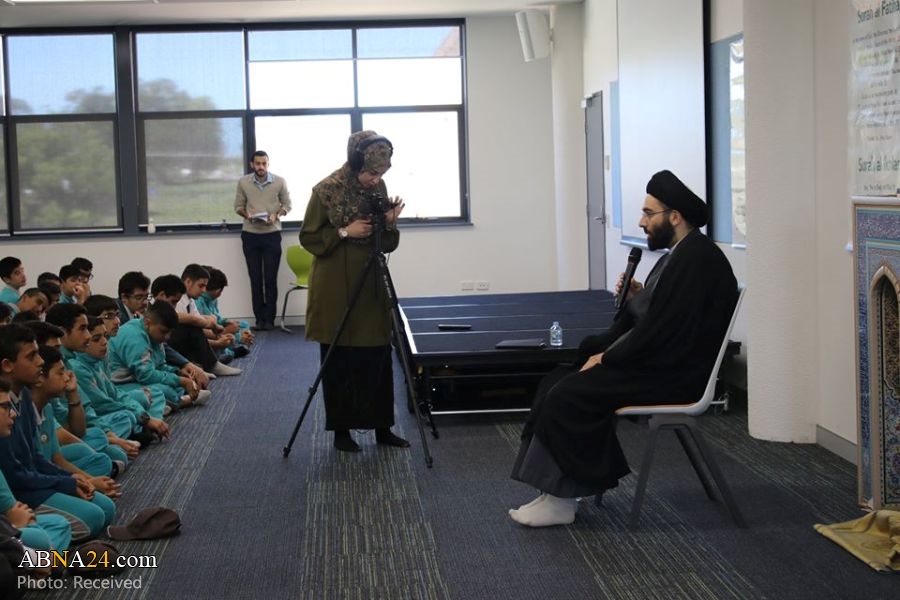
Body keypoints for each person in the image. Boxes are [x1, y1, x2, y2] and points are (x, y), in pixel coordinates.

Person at [508, 170, 739, 527]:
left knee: (569, 394)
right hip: (660, 365)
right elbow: (663, 316)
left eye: (648, 213)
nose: (641, 222)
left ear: (674, 217)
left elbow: (665, 331)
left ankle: (561, 500)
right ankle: (554, 490)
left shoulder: (698, 260)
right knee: (556, 382)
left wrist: (607, 357)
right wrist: (637, 298)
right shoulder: (682, 254)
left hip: (675, 376)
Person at [299, 130, 408, 453]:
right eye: (371, 173)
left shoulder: (378, 188)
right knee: (339, 360)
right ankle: (341, 432)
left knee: (378, 357)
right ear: (357, 163)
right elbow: (308, 237)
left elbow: (386, 243)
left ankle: (382, 427)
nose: (376, 180)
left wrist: (389, 222)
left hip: (370, 282)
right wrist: (345, 231)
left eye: (381, 174)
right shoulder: (326, 190)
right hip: (336, 285)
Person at [234, 150, 292, 331]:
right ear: (252, 164)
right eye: (258, 163)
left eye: (264, 163)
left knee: (270, 279)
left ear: (268, 164)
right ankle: (259, 319)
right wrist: (247, 215)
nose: (261, 167)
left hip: (271, 235)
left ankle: (270, 320)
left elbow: (287, 205)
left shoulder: (279, 181)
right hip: (250, 234)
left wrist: (276, 215)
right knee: (255, 278)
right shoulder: (243, 182)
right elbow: (238, 206)